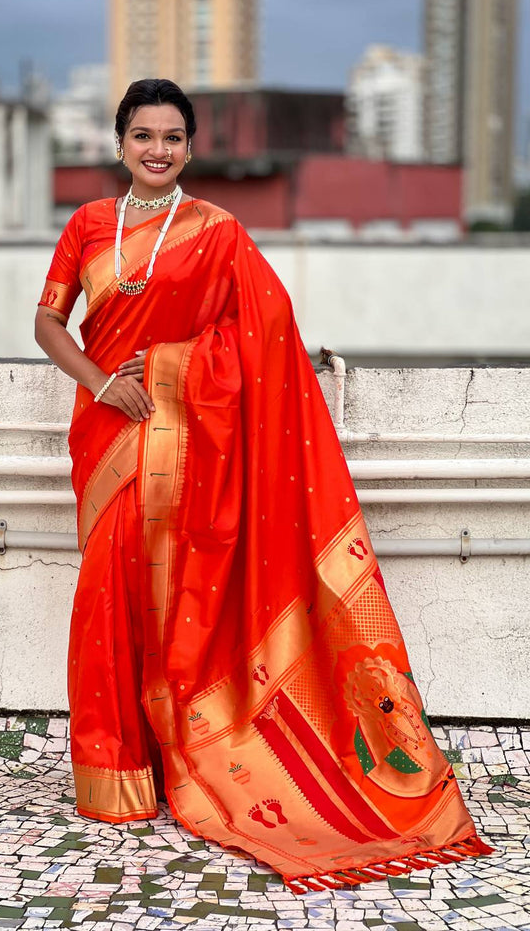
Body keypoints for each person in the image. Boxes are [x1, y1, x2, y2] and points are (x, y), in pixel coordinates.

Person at [34, 78, 491, 893]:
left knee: (179, 605)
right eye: (143, 135)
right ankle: (118, 772)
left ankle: (187, 760)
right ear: (119, 142)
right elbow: (47, 322)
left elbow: (266, 330)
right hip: (110, 434)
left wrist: (174, 369)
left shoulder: (219, 232)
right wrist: (104, 384)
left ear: (189, 146)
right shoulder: (87, 226)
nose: (158, 150)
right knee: (107, 596)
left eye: (173, 137)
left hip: (188, 444)